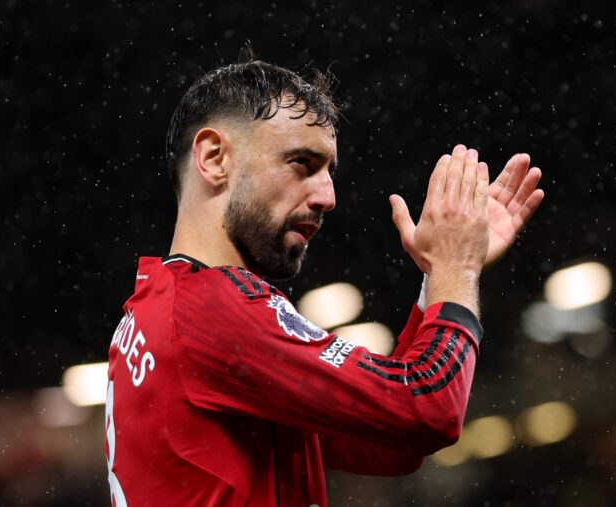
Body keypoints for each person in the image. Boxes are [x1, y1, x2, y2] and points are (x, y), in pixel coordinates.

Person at [105, 58, 544, 506]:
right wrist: (457, 268)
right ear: (215, 158)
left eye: (329, 171)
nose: (328, 197)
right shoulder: (211, 309)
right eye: (301, 163)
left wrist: (439, 277)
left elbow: (392, 443)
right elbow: (428, 411)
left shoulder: (155, 308)